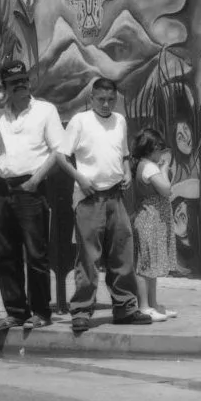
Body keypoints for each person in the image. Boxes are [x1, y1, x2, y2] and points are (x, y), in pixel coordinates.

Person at [0, 58, 64, 331]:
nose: (21, 85)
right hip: (3, 188)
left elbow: (58, 151)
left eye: (24, 80)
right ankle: (16, 311)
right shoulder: (1, 116)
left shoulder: (45, 111)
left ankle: (41, 312)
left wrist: (36, 180)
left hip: (31, 187)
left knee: (36, 254)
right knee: (5, 254)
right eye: (14, 83)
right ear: (5, 87)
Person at [54, 77, 151, 331]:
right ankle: (82, 310)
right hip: (89, 198)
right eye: (101, 99)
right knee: (88, 257)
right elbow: (61, 156)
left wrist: (127, 172)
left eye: (111, 99)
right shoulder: (80, 121)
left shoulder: (120, 121)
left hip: (116, 197)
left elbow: (124, 155)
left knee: (122, 253)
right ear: (91, 99)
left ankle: (125, 308)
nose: (106, 104)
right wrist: (79, 178)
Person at [131, 126, 180, 321]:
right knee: (145, 267)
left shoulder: (144, 164)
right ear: (150, 149)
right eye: (159, 148)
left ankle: (152, 304)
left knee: (151, 267)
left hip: (151, 221)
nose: (161, 152)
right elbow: (166, 189)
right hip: (149, 221)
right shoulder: (150, 166)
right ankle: (144, 306)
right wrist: (165, 168)